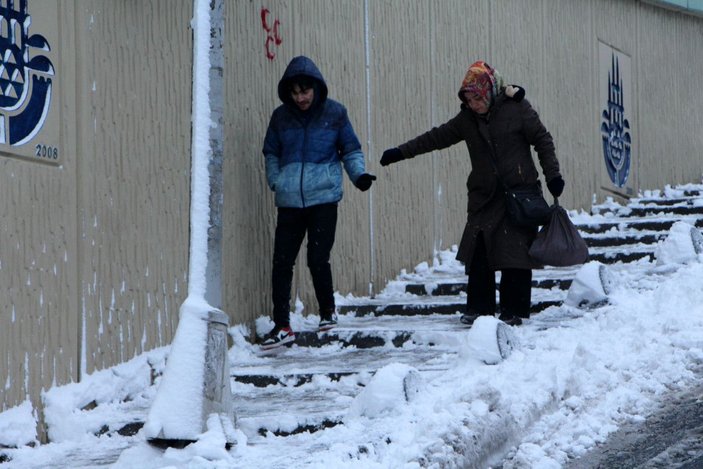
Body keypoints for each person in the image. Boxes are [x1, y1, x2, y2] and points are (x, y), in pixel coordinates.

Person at [380, 60, 564, 327]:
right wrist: (400, 152)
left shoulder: (517, 109)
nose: (474, 104)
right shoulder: (467, 120)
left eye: (477, 98)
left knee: (515, 254)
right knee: (479, 253)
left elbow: (543, 141)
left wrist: (553, 176)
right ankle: (479, 308)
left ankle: (514, 310)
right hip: (484, 197)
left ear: (489, 91)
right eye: (469, 99)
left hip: (519, 194)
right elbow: (436, 138)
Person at [261, 55, 376, 349]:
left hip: (323, 198)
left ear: (316, 88)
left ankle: (327, 312)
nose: (301, 98)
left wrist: (358, 175)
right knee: (282, 262)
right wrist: (276, 180)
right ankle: (282, 324)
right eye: (295, 92)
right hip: (289, 201)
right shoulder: (280, 117)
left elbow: (350, 150)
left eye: (306, 91)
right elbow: (271, 152)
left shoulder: (335, 113)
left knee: (317, 257)